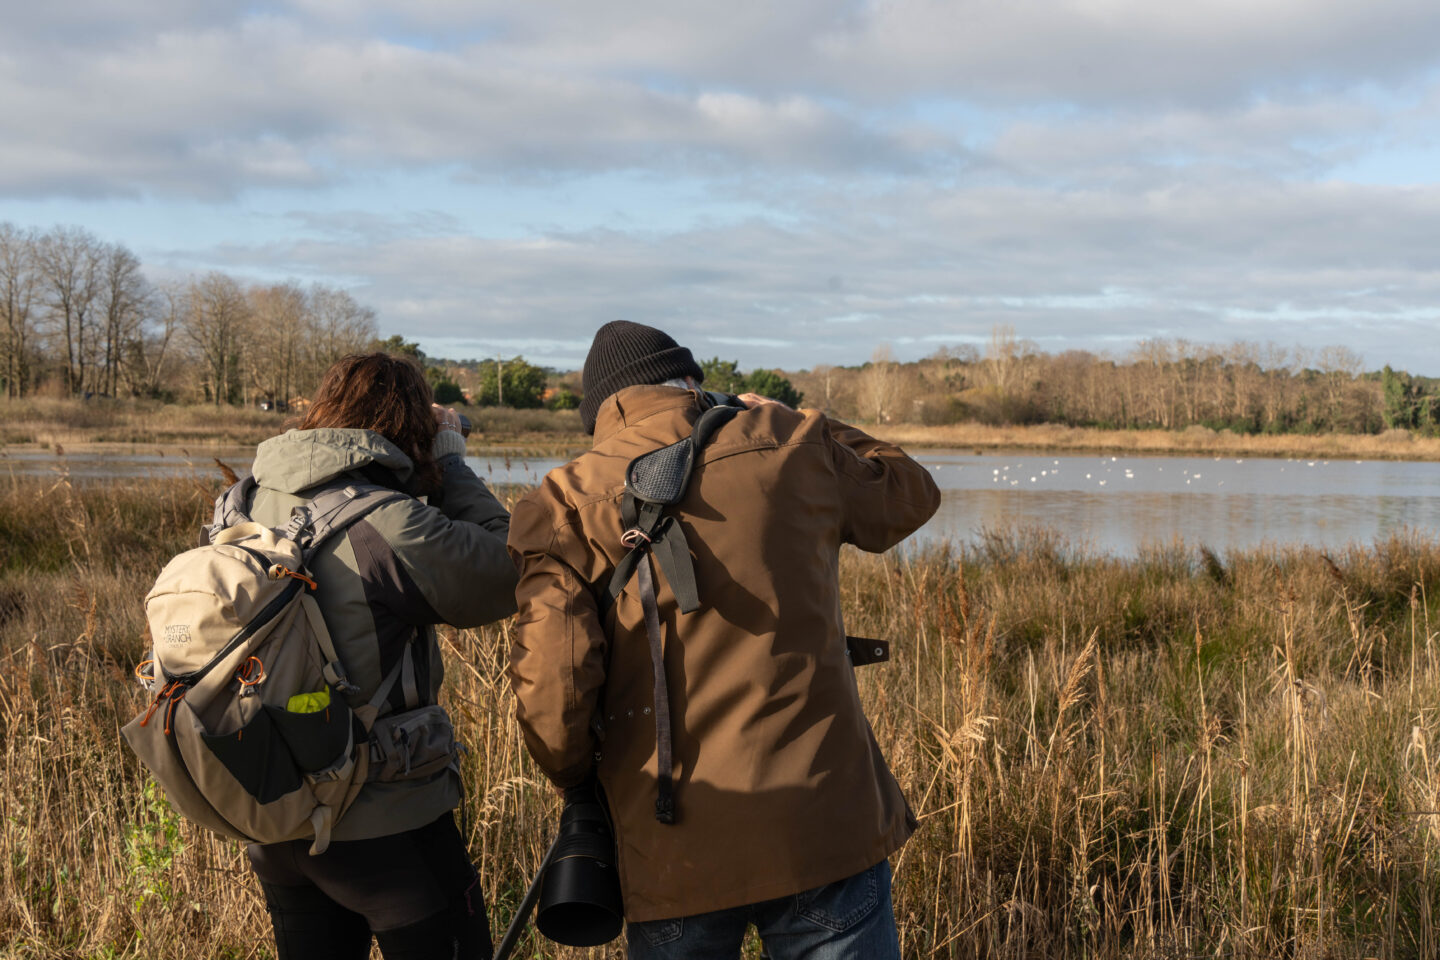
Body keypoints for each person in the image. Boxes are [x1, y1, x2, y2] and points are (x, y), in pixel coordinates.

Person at [507, 321, 941, 959]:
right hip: (823, 826)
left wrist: (579, 780)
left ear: (602, 411)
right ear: (688, 381)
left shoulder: (562, 501)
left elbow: (554, 688)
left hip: (672, 840)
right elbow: (909, 492)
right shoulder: (790, 442)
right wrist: (805, 419)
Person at [241, 352, 516, 960]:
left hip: (276, 811)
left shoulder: (247, 499)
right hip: (380, 817)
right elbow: (507, 569)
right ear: (407, 427)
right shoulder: (387, 522)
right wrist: (449, 460)